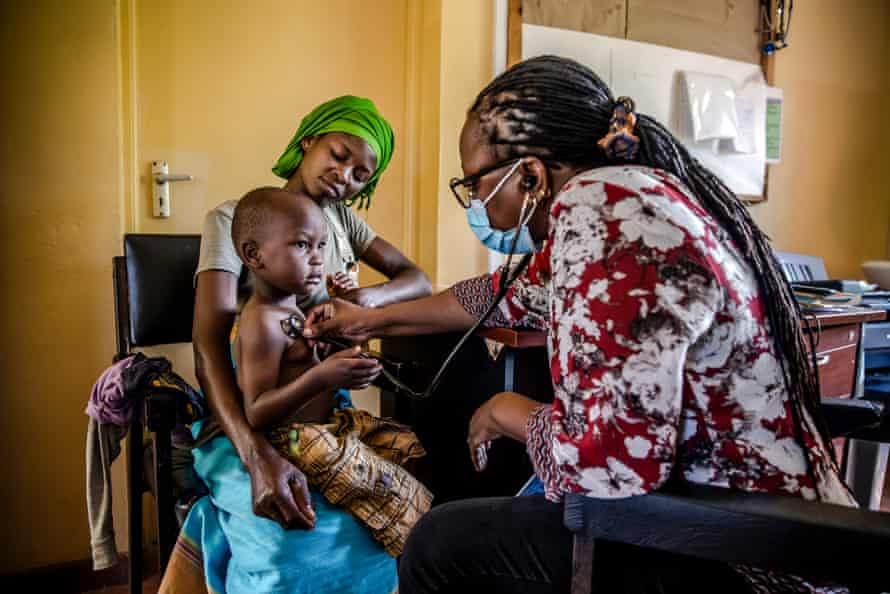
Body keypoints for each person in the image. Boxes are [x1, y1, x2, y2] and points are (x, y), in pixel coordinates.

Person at [302, 56, 856, 593]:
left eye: (473, 185)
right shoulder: (619, 198)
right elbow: (497, 298)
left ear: (530, 174)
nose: (473, 202)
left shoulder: (609, 220)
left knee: (438, 545)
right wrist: (368, 316)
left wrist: (506, 411)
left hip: (743, 554)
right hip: (735, 515)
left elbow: (609, 464)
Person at [192, 95, 432, 536]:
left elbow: (417, 279)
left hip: (324, 407)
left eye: (362, 175)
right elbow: (208, 345)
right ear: (308, 141)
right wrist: (255, 453)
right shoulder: (233, 220)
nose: (344, 177)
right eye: (339, 156)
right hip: (257, 410)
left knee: (413, 464)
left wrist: (363, 299)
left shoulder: (341, 222)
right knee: (314, 532)